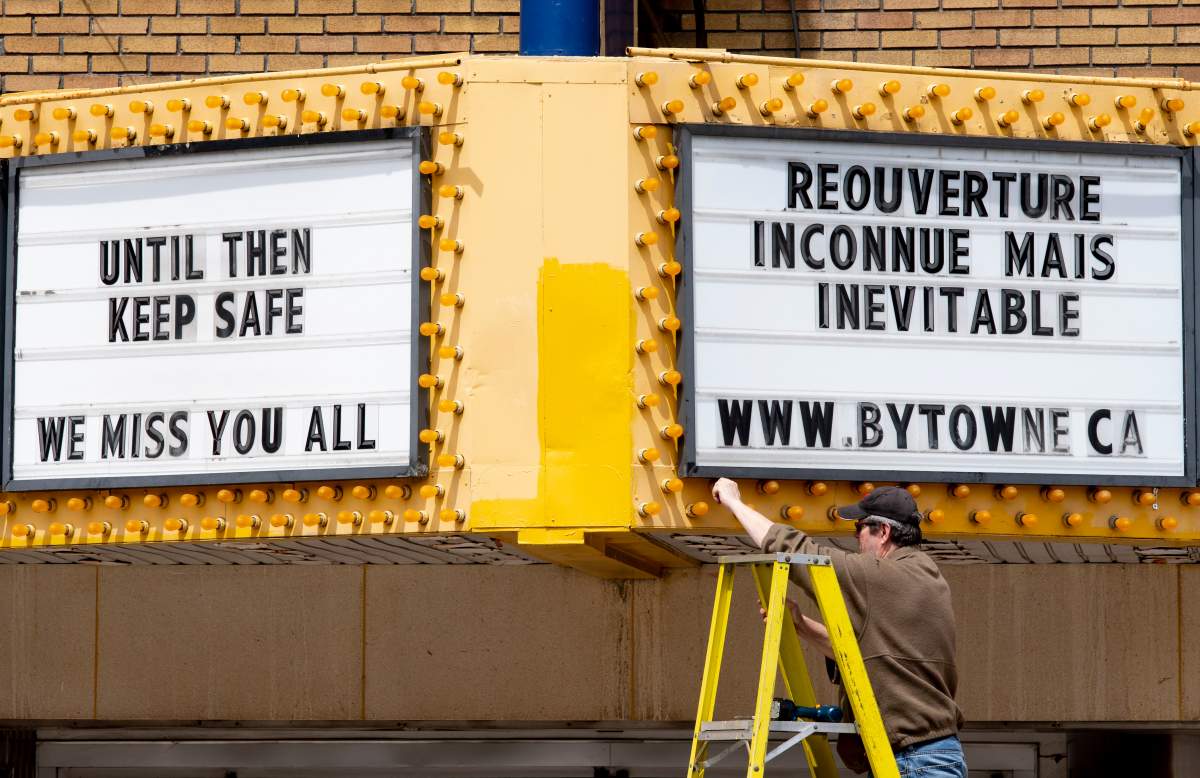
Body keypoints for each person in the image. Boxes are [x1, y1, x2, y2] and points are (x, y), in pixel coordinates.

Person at [711, 478, 966, 778]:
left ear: (883, 532)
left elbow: (795, 549)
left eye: (859, 528)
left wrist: (734, 502)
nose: (856, 538)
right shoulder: (927, 576)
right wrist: (801, 625)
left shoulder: (878, 576)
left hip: (913, 761)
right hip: (924, 756)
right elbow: (868, 653)